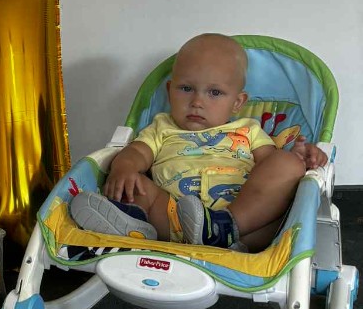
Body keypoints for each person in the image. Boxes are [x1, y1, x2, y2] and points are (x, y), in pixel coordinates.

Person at [70, 33, 327, 252]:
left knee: (286, 165)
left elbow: (270, 166)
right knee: (135, 184)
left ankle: (223, 228)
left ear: (237, 103)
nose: (197, 102)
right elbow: (137, 152)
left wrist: (298, 156)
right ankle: (133, 222)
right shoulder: (162, 127)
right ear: (169, 90)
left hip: (247, 224)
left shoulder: (248, 129)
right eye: (186, 89)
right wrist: (124, 168)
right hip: (173, 220)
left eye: (214, 92)